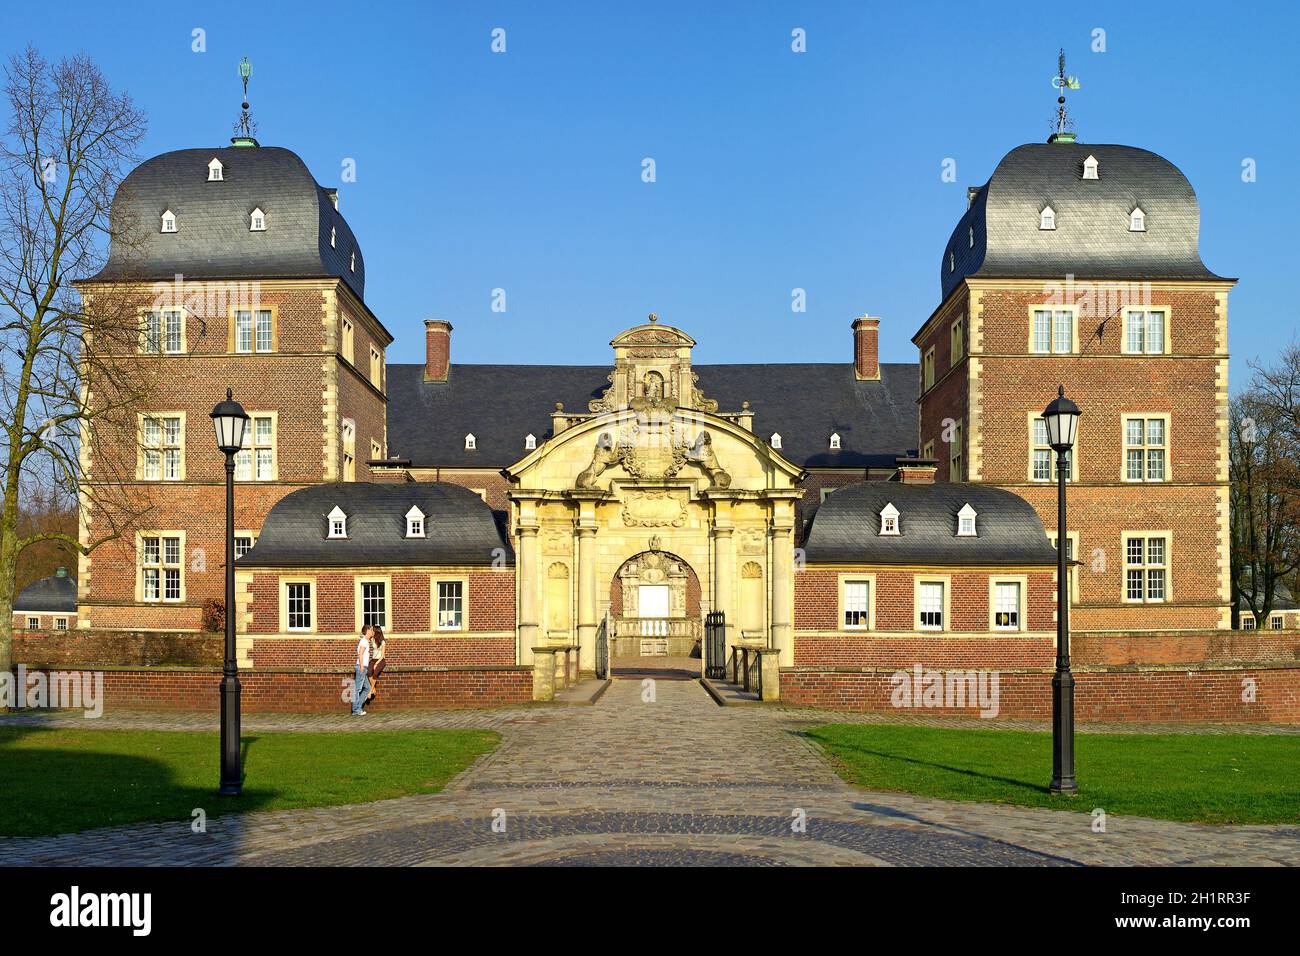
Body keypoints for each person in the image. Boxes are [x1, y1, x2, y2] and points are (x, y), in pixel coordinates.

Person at [352, 625, 372, 716]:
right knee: (357, 689)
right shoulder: (364, 641)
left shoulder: (366, 641)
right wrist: (361, 667)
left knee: (367, 688)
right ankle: (356, 710)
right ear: (367, 631)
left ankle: (358, 707)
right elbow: (360, 654)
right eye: (371, 630)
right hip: (361, 667)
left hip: (364, 667)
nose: (372, 631)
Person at [366, 625, 386, 706]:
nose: (372, 632)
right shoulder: (372, 639)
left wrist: (376, 664)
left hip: (381, 660)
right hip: (373, 659)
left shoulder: (383, 642)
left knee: (375, 673)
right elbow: (366, 637)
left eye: (373, 630)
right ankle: (374, 688)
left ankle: (370, 691)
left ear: (377, 632)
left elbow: (382, 655)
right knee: (369, 672)